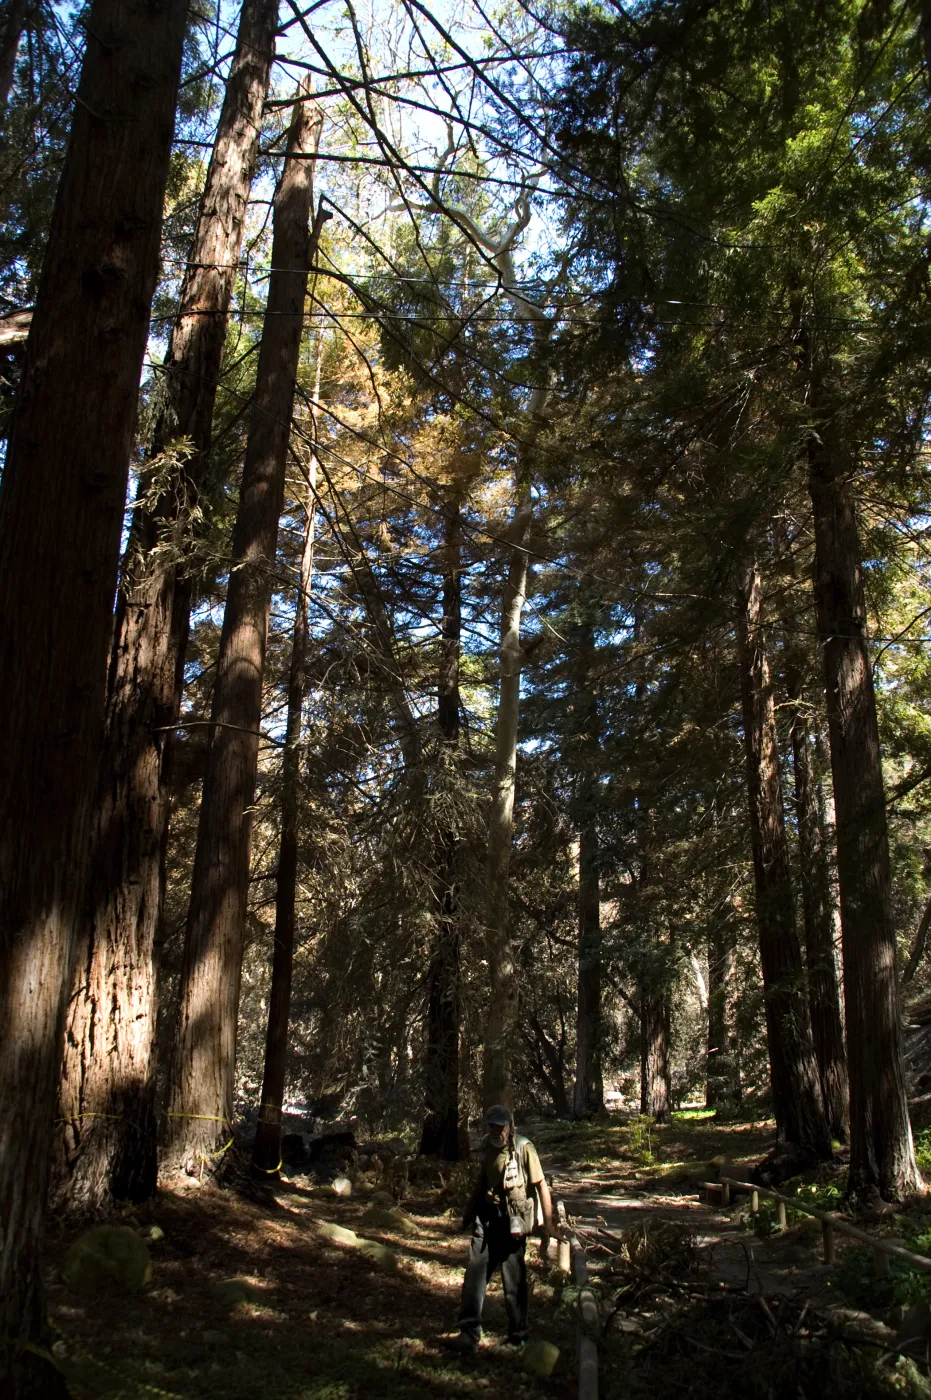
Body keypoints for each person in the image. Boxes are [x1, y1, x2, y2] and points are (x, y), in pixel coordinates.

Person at [444, 1104, 554, 1354]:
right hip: (486, 1219)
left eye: (500, 1126)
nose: (496, 1131)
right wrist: (469, 1214)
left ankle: (518, 1337)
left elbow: (541, 1185)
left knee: (513, 1280)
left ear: (509, 1125)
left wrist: (548, 1224)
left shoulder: (524, 1147)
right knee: (474, 1274)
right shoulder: (487, 1147)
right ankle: (468, 1333)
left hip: (512, 1223)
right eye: (491, 1126)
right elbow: (481, 1182)